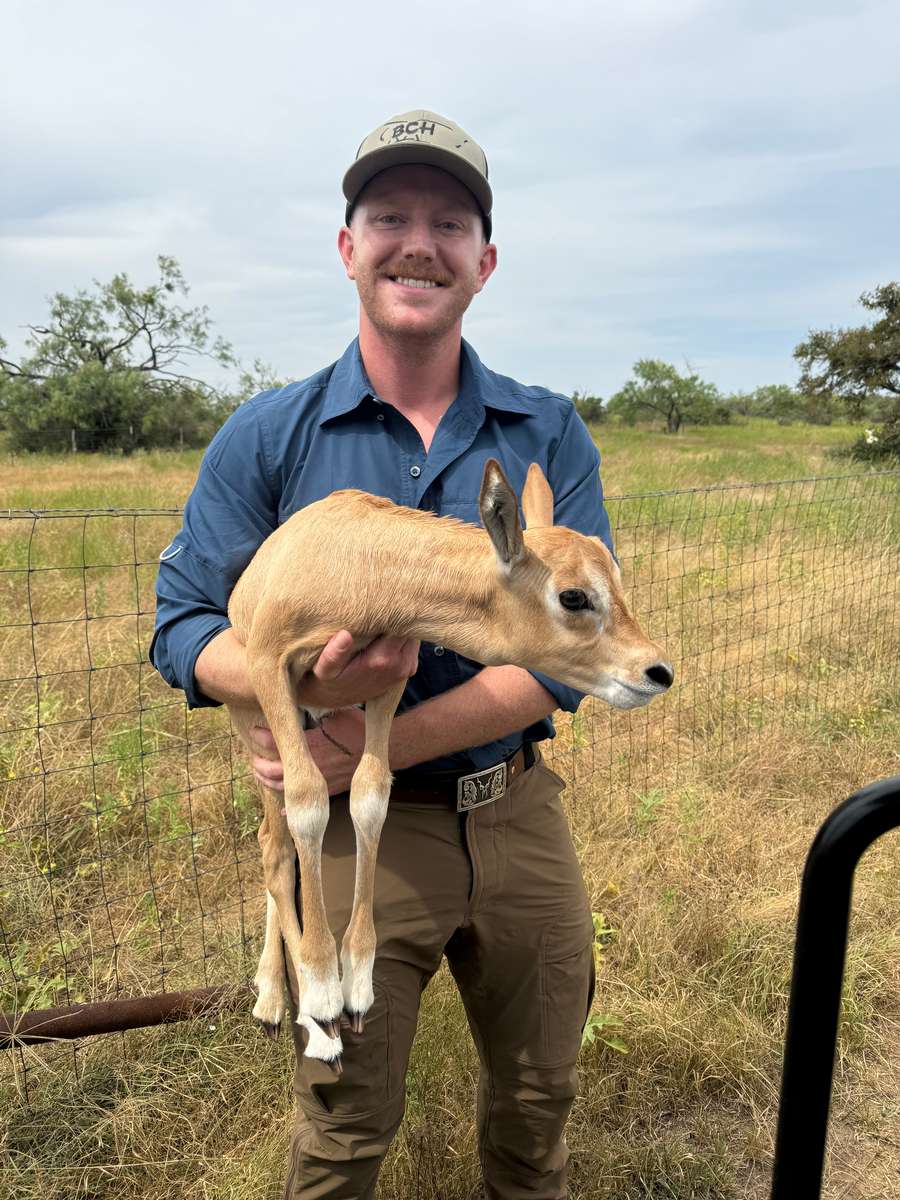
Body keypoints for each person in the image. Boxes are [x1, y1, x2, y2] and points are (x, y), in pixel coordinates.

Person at [151, 108, 615, 1200]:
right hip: (360, 840)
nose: (420, 241)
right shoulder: (268, 435)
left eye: (450, 221)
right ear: (348, 246)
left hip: (514, 812)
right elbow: (183, 625)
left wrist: (369, 739)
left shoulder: (545, 435)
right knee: (346, 1123)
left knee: (541, 1101)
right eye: (391, 216)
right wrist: (278, 687)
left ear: (484, 261)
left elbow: (563, 654)